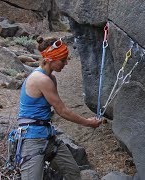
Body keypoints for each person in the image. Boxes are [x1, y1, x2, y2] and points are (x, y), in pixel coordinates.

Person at [17, 36, 101, 180]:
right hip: (32, 139)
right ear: (50, 59)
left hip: (47, 135)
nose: (66, 63)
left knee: (73, 172)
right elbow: (61, 111)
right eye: (63, 60)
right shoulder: (41, 79)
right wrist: (88, 122)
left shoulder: (51, 78)